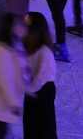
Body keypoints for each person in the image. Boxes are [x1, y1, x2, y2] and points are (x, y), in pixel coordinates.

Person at [22, 11, 58, 139]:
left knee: (44, 127)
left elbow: (42, 78)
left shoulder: (44, 52)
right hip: (31, 91)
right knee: (30, 125)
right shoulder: (28, 47)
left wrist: (27, 88)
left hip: (43, 92)